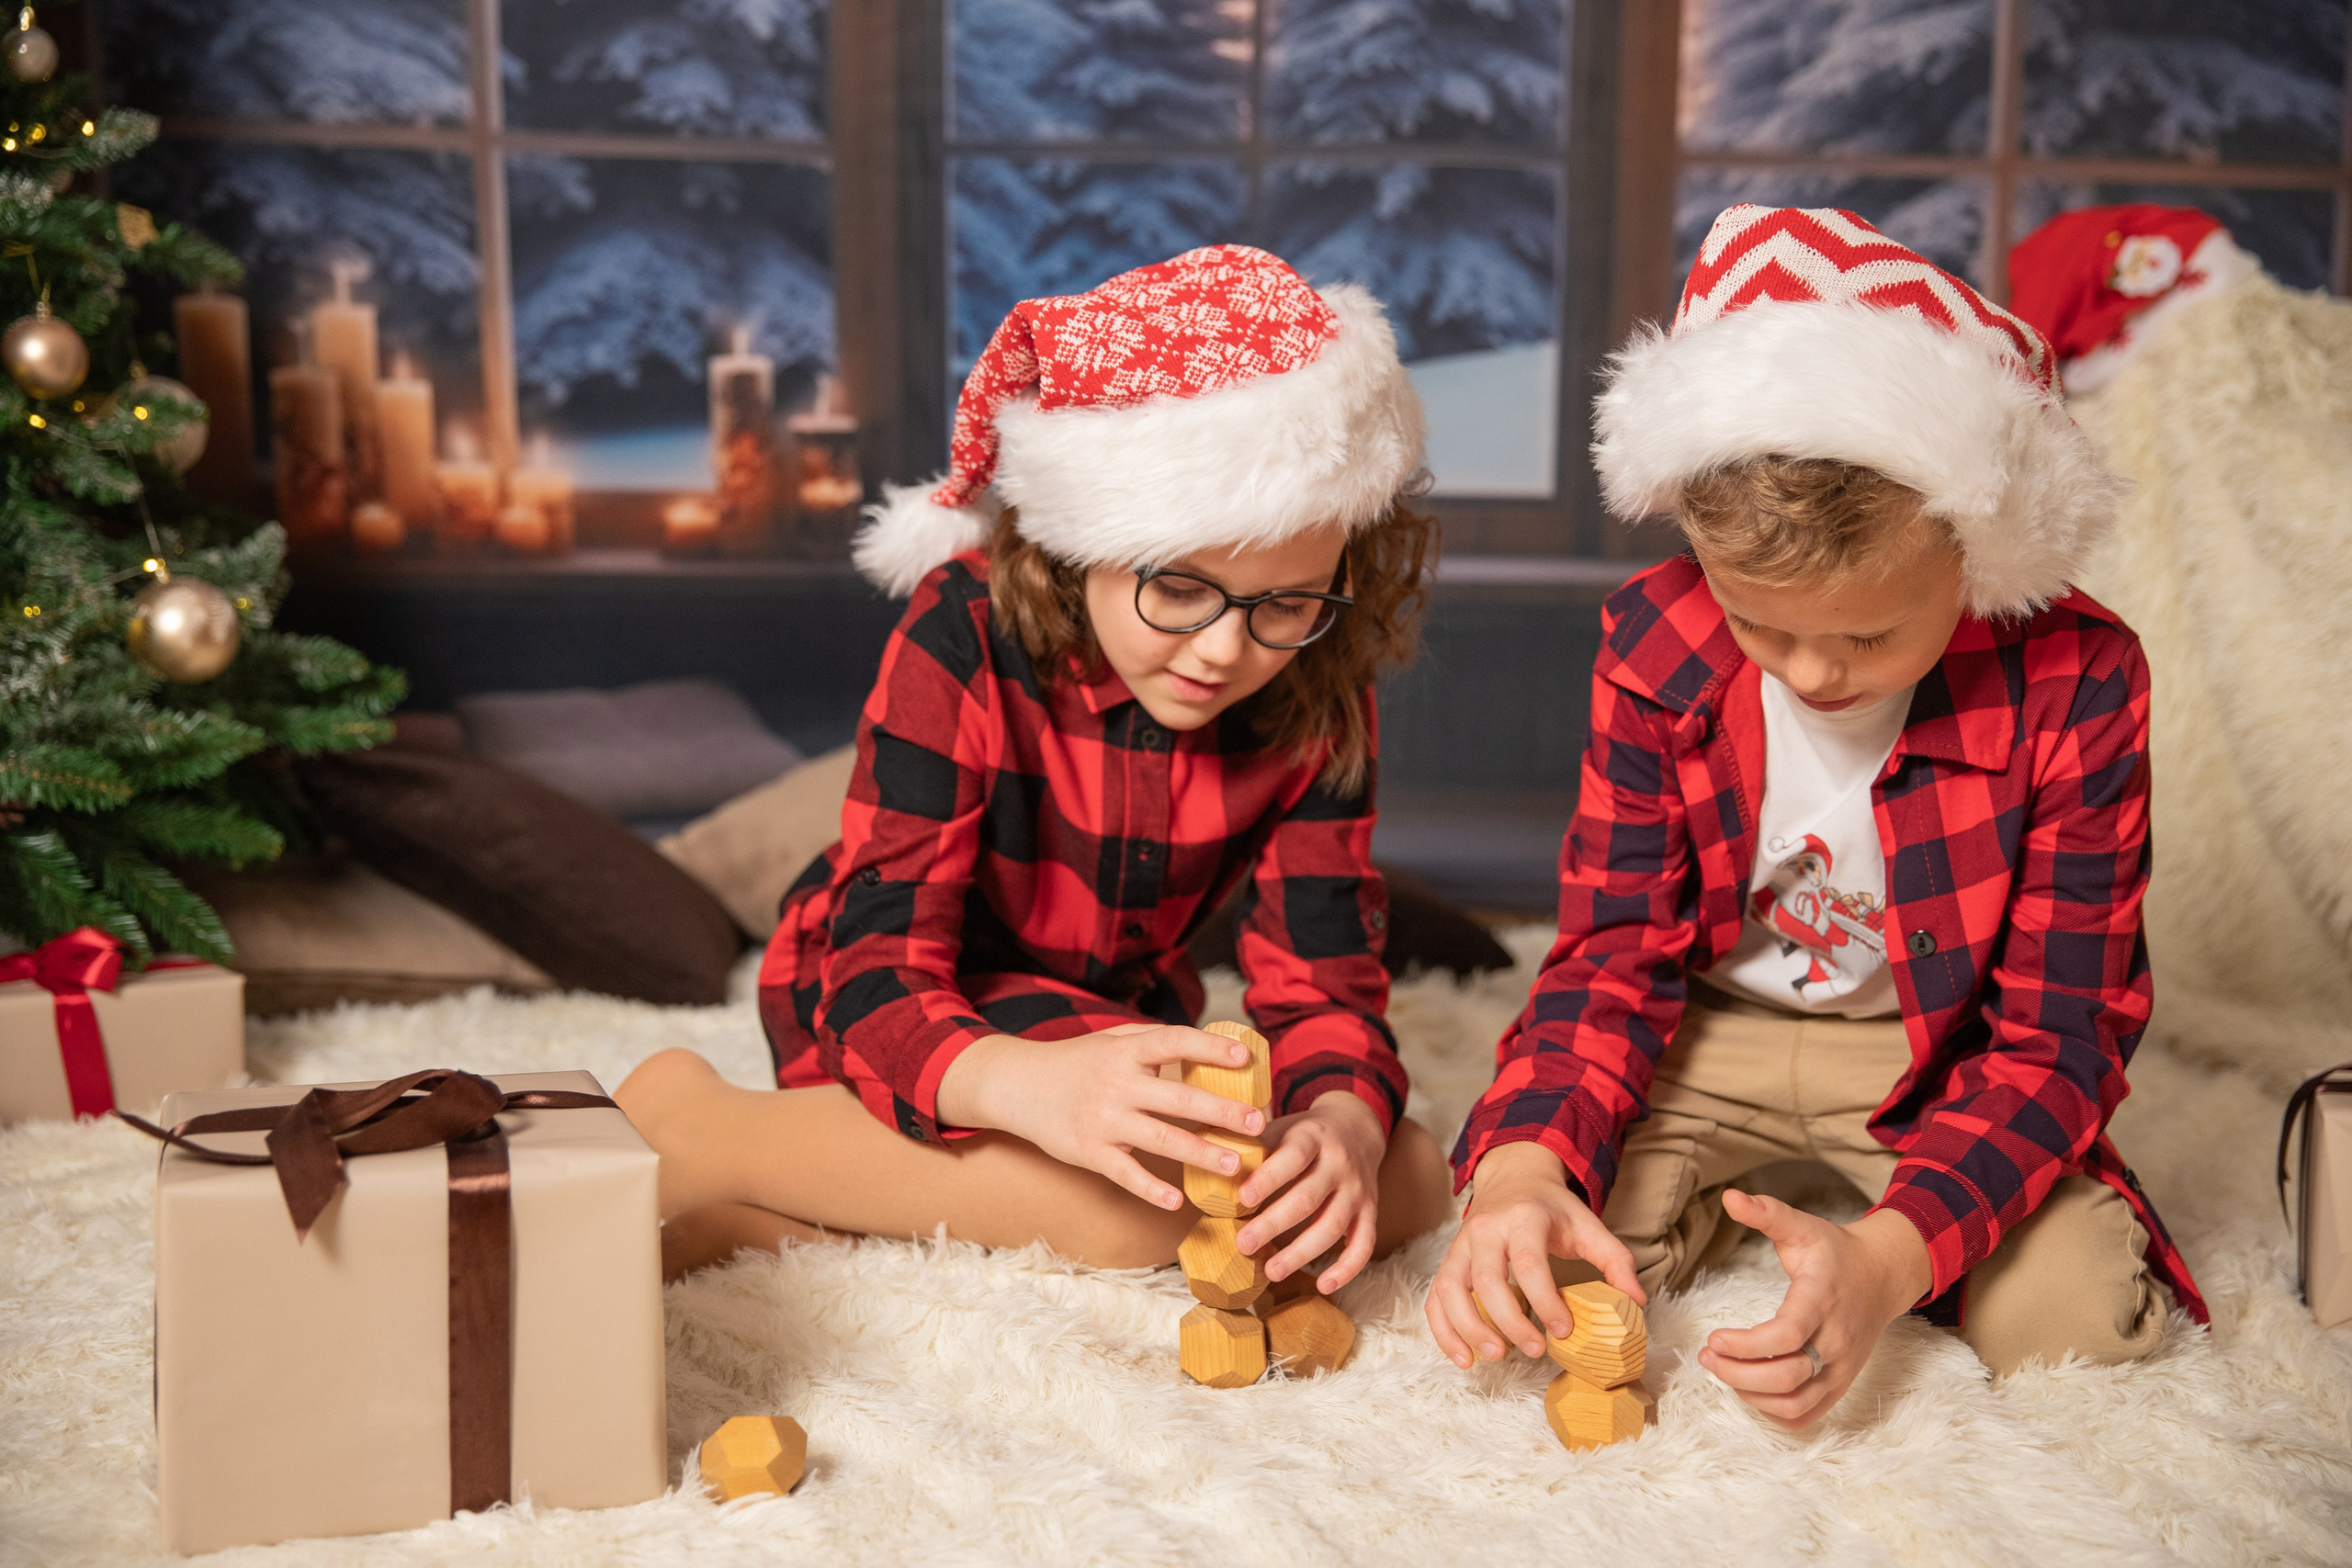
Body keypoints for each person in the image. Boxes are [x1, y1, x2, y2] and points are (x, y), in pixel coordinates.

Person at [1426, 206, 2208, 1430]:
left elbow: (2059, 1037)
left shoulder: (2079, 679)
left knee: (2078, 1330)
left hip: (1936, 1049)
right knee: (1539, 1279)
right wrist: (1523, 1169)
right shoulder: (1656, 637)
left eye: (1867, 634)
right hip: (1698, 1029)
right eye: (1760, 623)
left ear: (1979, 548)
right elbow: (1608, 955)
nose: (1810, 673)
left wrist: (1892, 1259)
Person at [622, 244, 1453, 1296]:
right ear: (1077, 543)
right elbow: (877, 969)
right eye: (1181, 593)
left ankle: (811, 1216)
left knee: (1411, 1170)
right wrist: (1025, 1088)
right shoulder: (960, 633)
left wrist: (1342, 1124)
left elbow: (1323, 982)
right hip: (906, 1006)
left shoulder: (1319, 686)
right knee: (1128, 1210)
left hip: (1102, 1010)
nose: (1222, 651)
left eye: (1283, 605)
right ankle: (702, 1131)